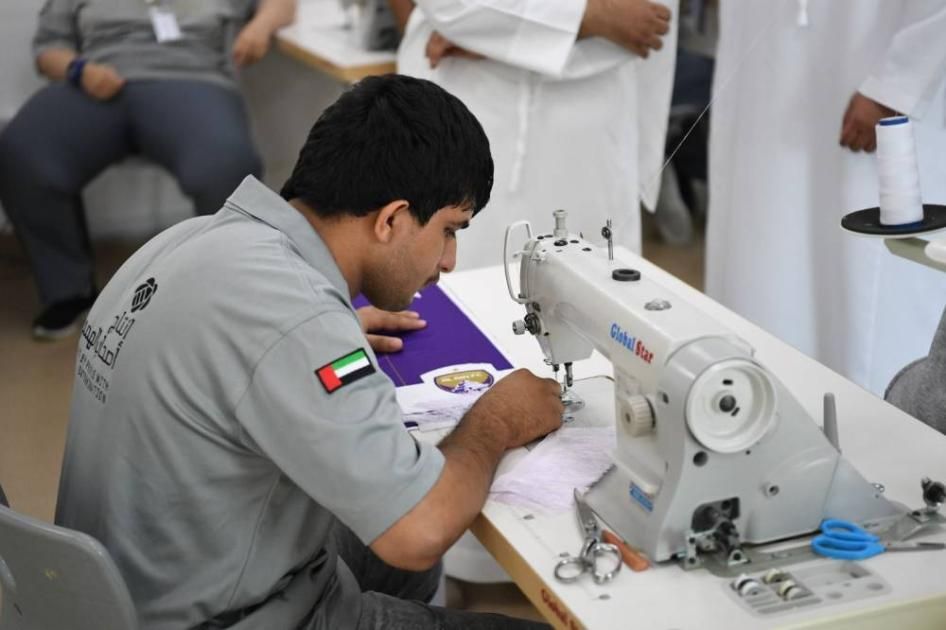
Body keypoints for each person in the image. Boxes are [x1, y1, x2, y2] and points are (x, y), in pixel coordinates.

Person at [55, 74, 561, 629]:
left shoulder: (191, 240)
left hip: (119, 594)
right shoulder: (297, 318)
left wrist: (321, 337)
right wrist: (498, 419)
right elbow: (419, 529)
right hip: (230, 618)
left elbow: (245, 347)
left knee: (395, 562)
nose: (449, 260)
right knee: (426, 538)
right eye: (449, 230)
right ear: (391, 219)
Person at [0, 0, 295, 340]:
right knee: (23, 153)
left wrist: (260, 27)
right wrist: (79, 70)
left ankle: (227, 292)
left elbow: (282, 4)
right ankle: (68, 290)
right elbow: (47, 49)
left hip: (194, 80)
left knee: (228, 163)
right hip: (97, 81)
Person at [706, 0, 946, 394]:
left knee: (866, 299)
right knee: (762, 268)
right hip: (768, 94)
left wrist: (895, 84)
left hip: (875, 94)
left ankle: (873, 418)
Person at [390, 0, 678, 270]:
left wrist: (499, 35)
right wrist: (589, 17)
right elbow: (454, 7)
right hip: (475, 105)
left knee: (591, 287)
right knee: (463, 282)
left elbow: (643, 20)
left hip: (592, 128)